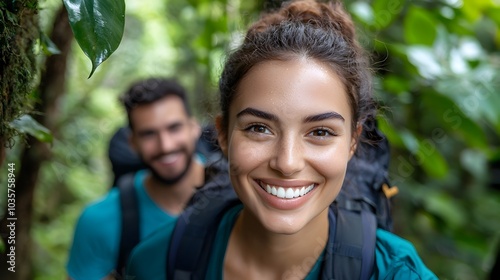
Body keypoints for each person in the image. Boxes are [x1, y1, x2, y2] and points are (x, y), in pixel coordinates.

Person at [126, 1, 437, 279]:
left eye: (320, 132)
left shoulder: (394, 272)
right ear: (222, 133)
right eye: (259, 128)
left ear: (353, 142)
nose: (287, 163)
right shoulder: (157, 263)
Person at [66, 78, 225, 279]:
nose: (165, 146)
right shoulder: (99, 222)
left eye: (174, 128)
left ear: (194, 128)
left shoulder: (239, 195)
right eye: (149, 134)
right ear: (132, 142)